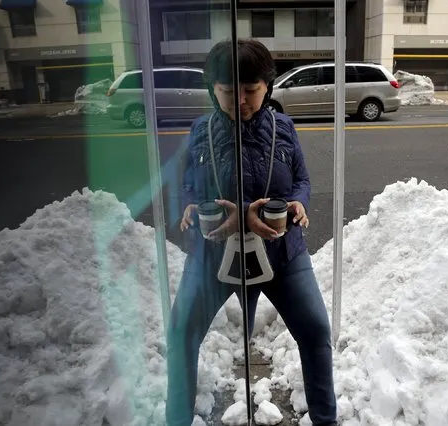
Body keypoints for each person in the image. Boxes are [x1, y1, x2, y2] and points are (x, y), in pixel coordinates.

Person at [166, 38, 337, 426]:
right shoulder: (201, 131)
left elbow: (301, 180)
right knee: (180, 337)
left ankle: (327, 421)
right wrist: (193, 207)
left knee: (315, 332)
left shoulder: (283, 126)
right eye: (228, 91)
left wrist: (298, 203)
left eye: (250, 90)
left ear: (267, 87)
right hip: (211, 255)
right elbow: (187, 186)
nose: (239, 100)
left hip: (281, 251)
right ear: (213, 89)